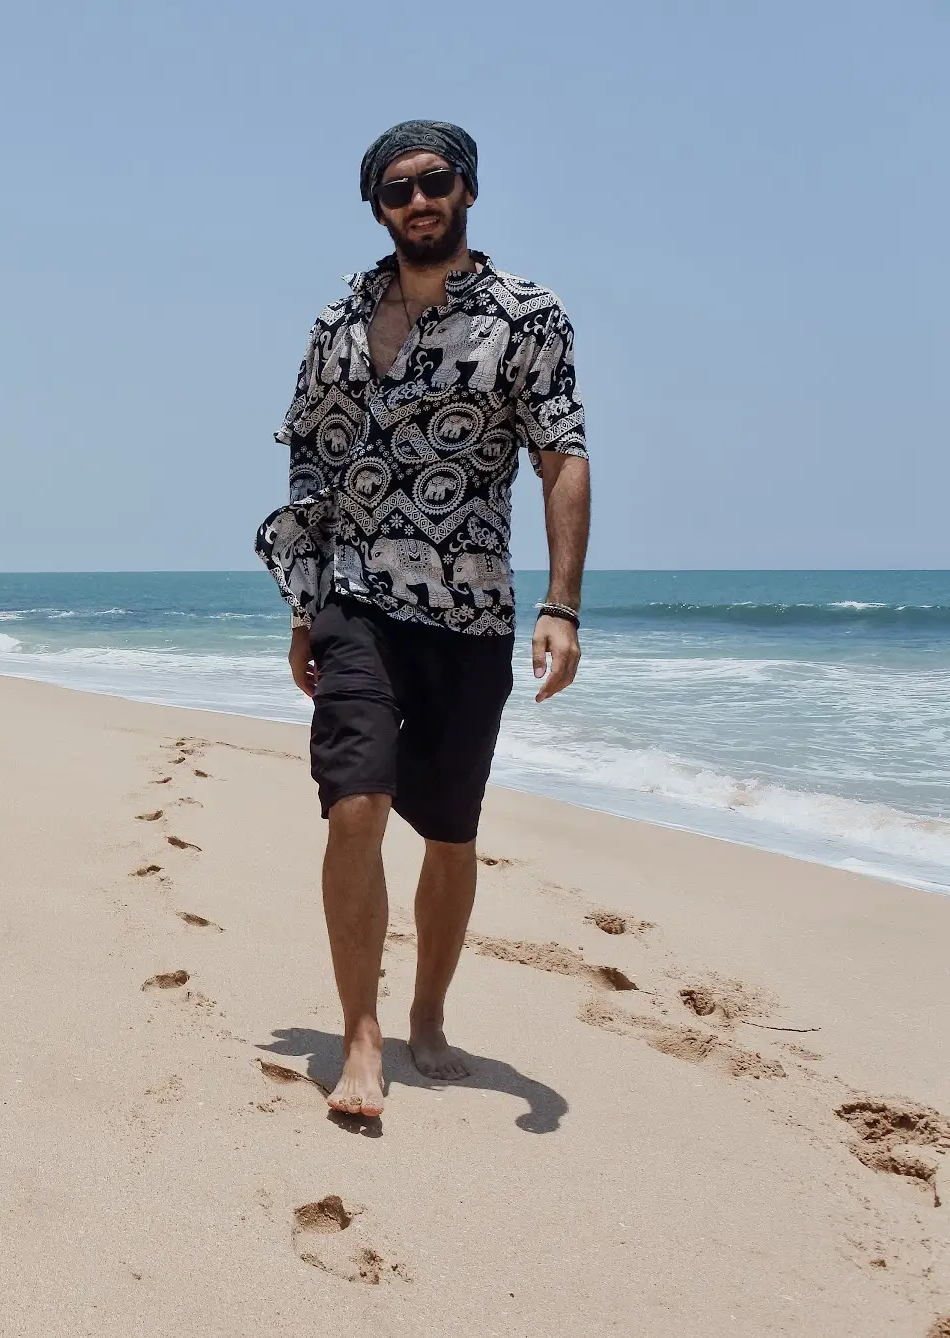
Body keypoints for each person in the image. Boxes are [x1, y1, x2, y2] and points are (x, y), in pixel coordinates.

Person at [256, 120, 590, 1117]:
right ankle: (358, 1033)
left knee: (449, 831)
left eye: (434, 181)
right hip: (357, 598)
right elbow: (308, 464)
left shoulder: (528, 316)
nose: (418, 200)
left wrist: (561, 604)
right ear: (378, 209)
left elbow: (560, 454)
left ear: (468, 189)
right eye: (397, 190)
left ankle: (427, 1014)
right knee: (353, 803)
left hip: (472, 610)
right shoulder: (337, 324)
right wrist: (305, 606)